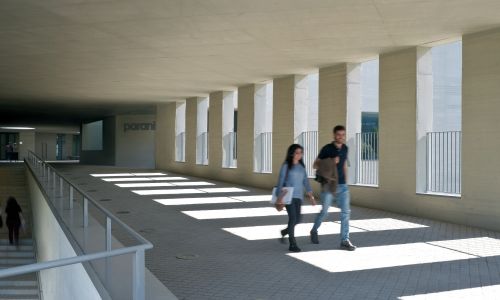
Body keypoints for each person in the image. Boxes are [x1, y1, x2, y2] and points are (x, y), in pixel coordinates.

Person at [310, 125, 356, 251]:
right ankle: (314, 230)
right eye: (338, 134)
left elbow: (344, 166)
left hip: (342, 186)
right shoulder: (327, 148)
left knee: (345, 213)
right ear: (334, 135)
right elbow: (315, 165)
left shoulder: (345, 148)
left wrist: (345, 183)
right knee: (325, 212)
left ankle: (344, 240)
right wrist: (330, 160)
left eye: (343, 134)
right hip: (328, 185)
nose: (340, 137)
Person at [276, 144, 316, 252]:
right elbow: (280, 181)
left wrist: (311, 196)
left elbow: (306, 182)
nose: (299, 155)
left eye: (301, 153)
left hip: (299, 196)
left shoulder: (301, 167)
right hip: (289, 196)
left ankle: (285, 231)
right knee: (293, 218)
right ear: (292, 153)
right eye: (297, 152)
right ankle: (292, 244)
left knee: (298, 219)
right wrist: (278, 197)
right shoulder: (286, 166)